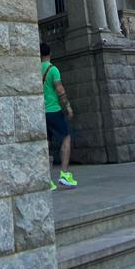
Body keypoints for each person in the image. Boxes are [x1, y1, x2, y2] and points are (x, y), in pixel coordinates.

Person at [40, 42, 77, 190]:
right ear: (49, 54)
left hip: (41, 111)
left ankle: (46, 179)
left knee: (46, 144)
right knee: (66, 138)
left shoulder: (35, 69)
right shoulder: (52, 69)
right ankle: (64, 174)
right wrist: (67, 106)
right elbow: (59, 88)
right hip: (54, 110)